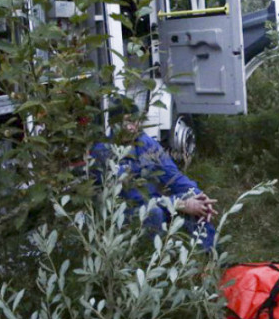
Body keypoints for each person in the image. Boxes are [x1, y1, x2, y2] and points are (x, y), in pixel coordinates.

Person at [92, 106, 219, 250]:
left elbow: (173, 176)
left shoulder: (145, 143)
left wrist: (197, 193)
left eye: (137, 120)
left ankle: (211, 257)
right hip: (124, 211)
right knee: (154, 213)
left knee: (195, 199)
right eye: (127, 121)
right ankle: (152, 258)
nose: (134, 126)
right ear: (113, 124)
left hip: (156, 202)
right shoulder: (103, 152)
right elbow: (130, 198)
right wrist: (178, 204)